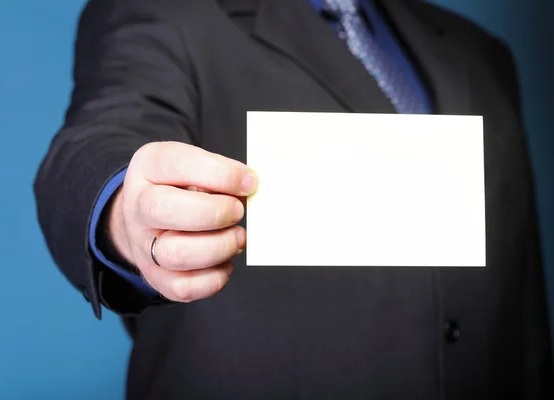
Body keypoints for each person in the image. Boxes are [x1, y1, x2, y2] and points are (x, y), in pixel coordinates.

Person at [33, 0, 554, 398]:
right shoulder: (167, 13)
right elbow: (98, 138)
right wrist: (122, 210)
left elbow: (521, 290)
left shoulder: (483, 56)